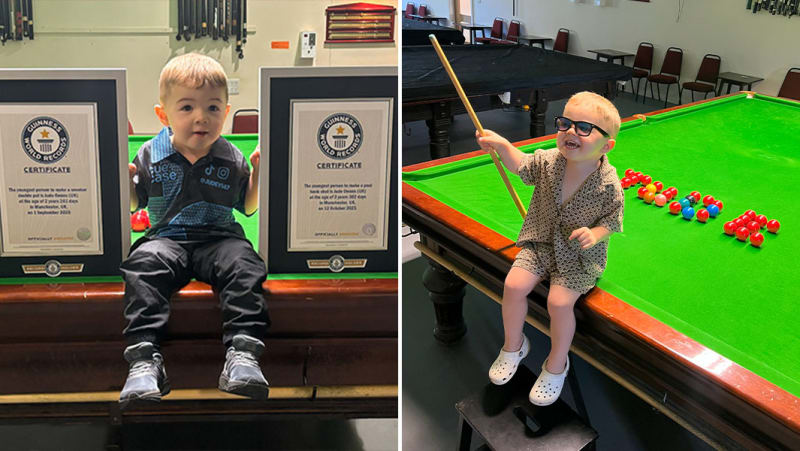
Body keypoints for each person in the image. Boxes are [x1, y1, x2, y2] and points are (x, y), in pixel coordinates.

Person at [119, 53, 270, 406]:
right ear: (164, 114)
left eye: (213, 108)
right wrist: (125, 179)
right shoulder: (149, 154)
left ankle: (243, 356)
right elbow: (134, 205)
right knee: (141, 266)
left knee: (247, 265)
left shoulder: (231, 156)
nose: (201, 117)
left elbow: (246, 207)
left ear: (226, 112)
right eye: (186, 107)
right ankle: (143, 362)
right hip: (166, 239)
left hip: (219, 238)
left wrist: (259, 173)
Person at [476, 91, 624, 406]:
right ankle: (513, 346)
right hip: (541, 243)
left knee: (558, 304)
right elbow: (521, 166)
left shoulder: (609, 184)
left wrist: (594, 234)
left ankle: (556, 364)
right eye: (565, 123)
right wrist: (502, 145)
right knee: (513, 285)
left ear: (606, 145)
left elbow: (612, 221)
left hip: (578, 258)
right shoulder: (547, 161)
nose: (570, 131)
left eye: (584, 128)